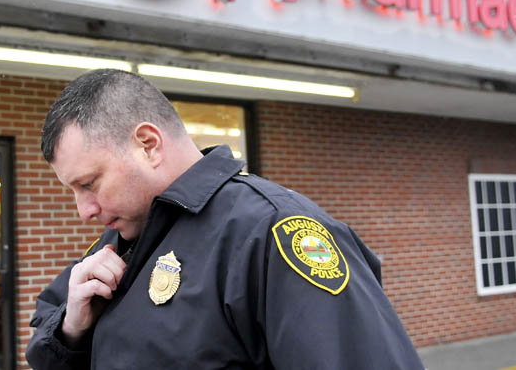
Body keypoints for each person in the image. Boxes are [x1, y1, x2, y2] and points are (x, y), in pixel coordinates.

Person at [26, 69, 424, 369]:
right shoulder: (122, 238)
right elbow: (47, 335)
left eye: (89, 184)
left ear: (148, 145)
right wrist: (72, 329)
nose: (85, 210)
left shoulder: (270, 232)